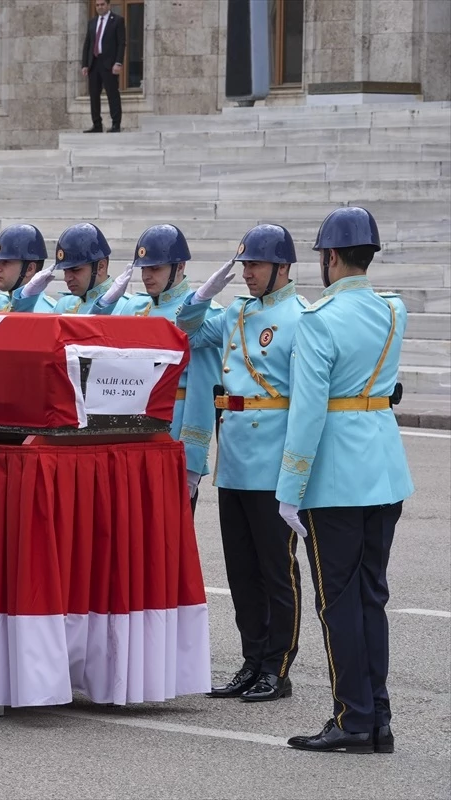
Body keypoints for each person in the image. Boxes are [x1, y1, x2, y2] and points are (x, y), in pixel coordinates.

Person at [277, 206, 413, 754]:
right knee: (371, 597)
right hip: (384, 468)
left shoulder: (319, 319)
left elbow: (308, 414)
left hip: (335, 479)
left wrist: (289, 488)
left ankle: (354, 718)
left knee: (339, 601)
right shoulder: (392, 311)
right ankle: (377, 717)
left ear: (331, 257)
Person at [176, 224, 307, 704]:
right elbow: (187, 326)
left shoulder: (301, 316)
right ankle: (252, 661)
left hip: (273, 458)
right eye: (244, 265)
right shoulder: (235, 312)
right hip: (233, 457)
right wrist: (201, 294)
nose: (246, 274)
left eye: (254, 265)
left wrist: (298, 470)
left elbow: (307, 402)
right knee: (241, 570)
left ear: (282, 268)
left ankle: (278, 666)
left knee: (278, 570)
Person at [103, 224, 223, 510]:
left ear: (179, 267)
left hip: (171, 441)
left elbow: (203, 390)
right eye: (144, 268)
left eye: (155, 268)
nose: (146, 276)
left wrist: (191, 461)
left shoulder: (203, 313)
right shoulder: (132, 308)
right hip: (129, 440)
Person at [37, 222, 136, 314]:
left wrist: (104, 305)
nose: (67, 278)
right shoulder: (64, 305)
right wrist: (26, 298)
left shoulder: (128, 308)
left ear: (100, 267)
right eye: (65, 271)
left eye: (75, 270)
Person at [81, 0, 126, 133]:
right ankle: (97, 125)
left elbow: (121, 43)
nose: (100, 7)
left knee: (112, 94)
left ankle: (116, 124)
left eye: (102, 4)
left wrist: (118, 62)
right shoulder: (92, 22)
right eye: (97, 5)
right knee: (94, 95)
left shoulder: (117, 20)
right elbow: (87, 44)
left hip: (109, 64)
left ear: (108, 5)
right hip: (94, 63)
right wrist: (85, 64)